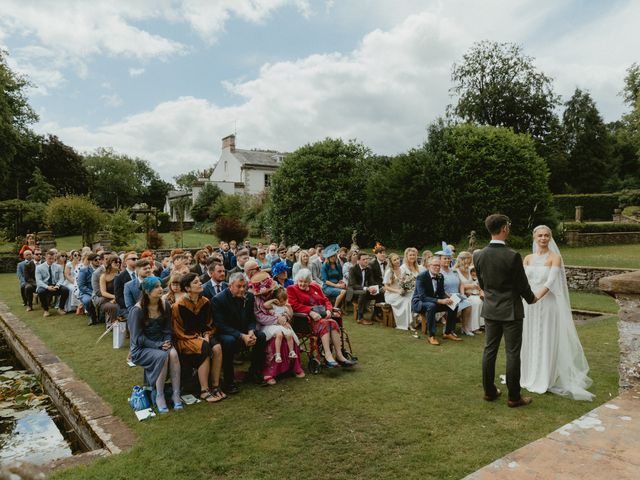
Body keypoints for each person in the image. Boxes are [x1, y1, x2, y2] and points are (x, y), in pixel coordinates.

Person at [521, 225, 594, 401]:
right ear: (534, 238)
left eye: (546, 235)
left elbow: (551, 281)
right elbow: (522, 281)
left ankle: (545, 376)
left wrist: (535, 297)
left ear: (550, 238)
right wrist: (526, 298)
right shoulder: (528, 258)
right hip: (529, 304)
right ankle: (528, 373)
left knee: (546, 337)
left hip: (547, 302)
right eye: (540, 236)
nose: (543, 238)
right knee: (529, 337)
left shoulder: (555, 258)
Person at [473, 214, 537, 408]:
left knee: (489, 350)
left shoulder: (479, 255)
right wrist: (531, 298)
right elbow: (521, 284)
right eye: (507, 225)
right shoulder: (512, 255)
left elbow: (482, 283)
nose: (508, 228)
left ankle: (489, 391)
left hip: (491, 309)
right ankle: (514, 397)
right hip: (511, 310)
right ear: (503, 229)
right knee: (512, 353)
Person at [129, 276, 182, 413]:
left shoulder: (165, 304)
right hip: (142, 348)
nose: (161, 289)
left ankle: (176, 394)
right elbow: (137, 338)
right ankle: (159, 395)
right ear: (147, 291)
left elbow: (168, 329)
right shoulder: (138, 310)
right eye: (157, 287)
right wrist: (158, 345)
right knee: (162, 357)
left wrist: (167, 341)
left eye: (160, 286)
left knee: (174, 354)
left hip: (162, 341)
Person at [172, 273, 226, 403]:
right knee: (204, 347)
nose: (200, 284)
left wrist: (207, 334)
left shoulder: (205, 301)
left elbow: (209, 323)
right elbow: (178, 330)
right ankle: (204, 390)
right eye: (195, 282)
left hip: (204, 335)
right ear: (187, 288)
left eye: (199, 281)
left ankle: (215, 386)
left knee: (217, 347)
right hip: (186, 339)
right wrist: (198, 338)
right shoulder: (179, 305)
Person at [287, 269, 356, 368]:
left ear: (309, 281)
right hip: (305, 321)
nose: (302, 284)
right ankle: (328, 355)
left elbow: (325, 300)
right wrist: (310, 311)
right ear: (297, 280)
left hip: (323, 316)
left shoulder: (315, 287)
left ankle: (339, 355)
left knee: (333, 322)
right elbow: (293, 305)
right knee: (326, 324)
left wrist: (328, 309)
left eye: (305, 282)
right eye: (300, 281)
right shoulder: (292, 289)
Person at [212, 272, 268, 394]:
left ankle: (255, 372)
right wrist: (242, 336)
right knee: (229, 341)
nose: (243, 289)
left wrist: (251, 331)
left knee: (261, 336)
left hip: (244, 331)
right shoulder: (218, 299)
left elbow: (251, 318)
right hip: (225, 333)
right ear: (230, 286)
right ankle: (229, 381)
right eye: (239, 286)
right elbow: (220, 325)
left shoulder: (249, 297)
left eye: (244, 286)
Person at [250, 271, 304, 385]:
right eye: (265, 291)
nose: (268, 293)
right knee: (277, 337)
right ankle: (272, 371)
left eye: (269, 290)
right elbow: (259, 317)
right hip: (264, 325)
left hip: (281, 321)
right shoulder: (254, 299)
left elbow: (284, 305)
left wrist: (284, 317)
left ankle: (293, 367)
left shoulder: (276, 292)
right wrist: (276, 320)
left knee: (289, 334)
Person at [411, 256, 462, 345]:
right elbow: (422, 297)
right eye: (435, 265)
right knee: (431, 305)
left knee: (454, 304)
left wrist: (448, 299)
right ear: (428, 266)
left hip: (433, 301)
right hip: (419, 303)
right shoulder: (421, 277)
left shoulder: (440, 276)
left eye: (438, 266)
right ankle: (431, 336)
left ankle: (448, 332)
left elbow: (441, 293)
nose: (437, 267)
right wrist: (439, 301)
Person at [439, 247, 472, 337]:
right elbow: (439, 288)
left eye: (449, 258)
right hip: (445, 296)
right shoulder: (439, 272)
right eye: (445, 258)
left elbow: (461, 284)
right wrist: (449, 296)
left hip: (457, 295)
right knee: (454, 306)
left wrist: (462, 294)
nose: (447, 260)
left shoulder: (453, 270)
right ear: (440, 260)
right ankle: (449, 328)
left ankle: (465, 328)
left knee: (468, 304)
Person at [454, 251, 484, 335]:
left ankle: (480, 324)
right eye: (469, 260)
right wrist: (471, 287)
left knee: (481, 300)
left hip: (472, 293)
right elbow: (458, 285)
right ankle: (472, 327)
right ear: (463, 260)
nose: (470, 262)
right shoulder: (455, 271)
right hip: (462, 294)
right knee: (476, 302)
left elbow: (476, 281)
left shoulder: (470, 269)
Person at [35, 250, 70, 317]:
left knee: (65, 290)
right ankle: (46, 310)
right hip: (45, 285)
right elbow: (38, 281)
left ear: (55, 258)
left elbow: (61, 278)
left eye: (53, 259)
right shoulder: (39, 268)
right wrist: (47, 287)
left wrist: (57, 285)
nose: (51, 260)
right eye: (49, 258)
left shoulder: (58, 267)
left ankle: (61, 308)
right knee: (40, 291)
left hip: (55, 285)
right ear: (45, 258)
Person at [383, 253, 413, 330]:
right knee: (406, 300)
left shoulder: (402, 270)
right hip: (390, 295)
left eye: (398, 259)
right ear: (391, 262)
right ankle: (403, 324)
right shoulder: (389, 272)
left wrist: (406, 288)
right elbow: (386, 287)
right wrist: (397, 291)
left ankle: (411, 322)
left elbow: (404, 282)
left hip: (400, 292)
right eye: (395, 260)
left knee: (411, 296)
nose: (397, 261)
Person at [320, 244, 347, 308]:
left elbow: (340, 277)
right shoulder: (324, 266)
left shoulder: (337, 265)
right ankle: (335, 308)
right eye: (332, 256)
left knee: (346, 288)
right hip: (327, 287)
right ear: (329, 257)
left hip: (336, 284)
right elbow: (326, 281)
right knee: (343, 291)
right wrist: (337, 285)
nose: (334, 258)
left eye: (335, 256)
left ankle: (342, 307)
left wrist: (341, 282)